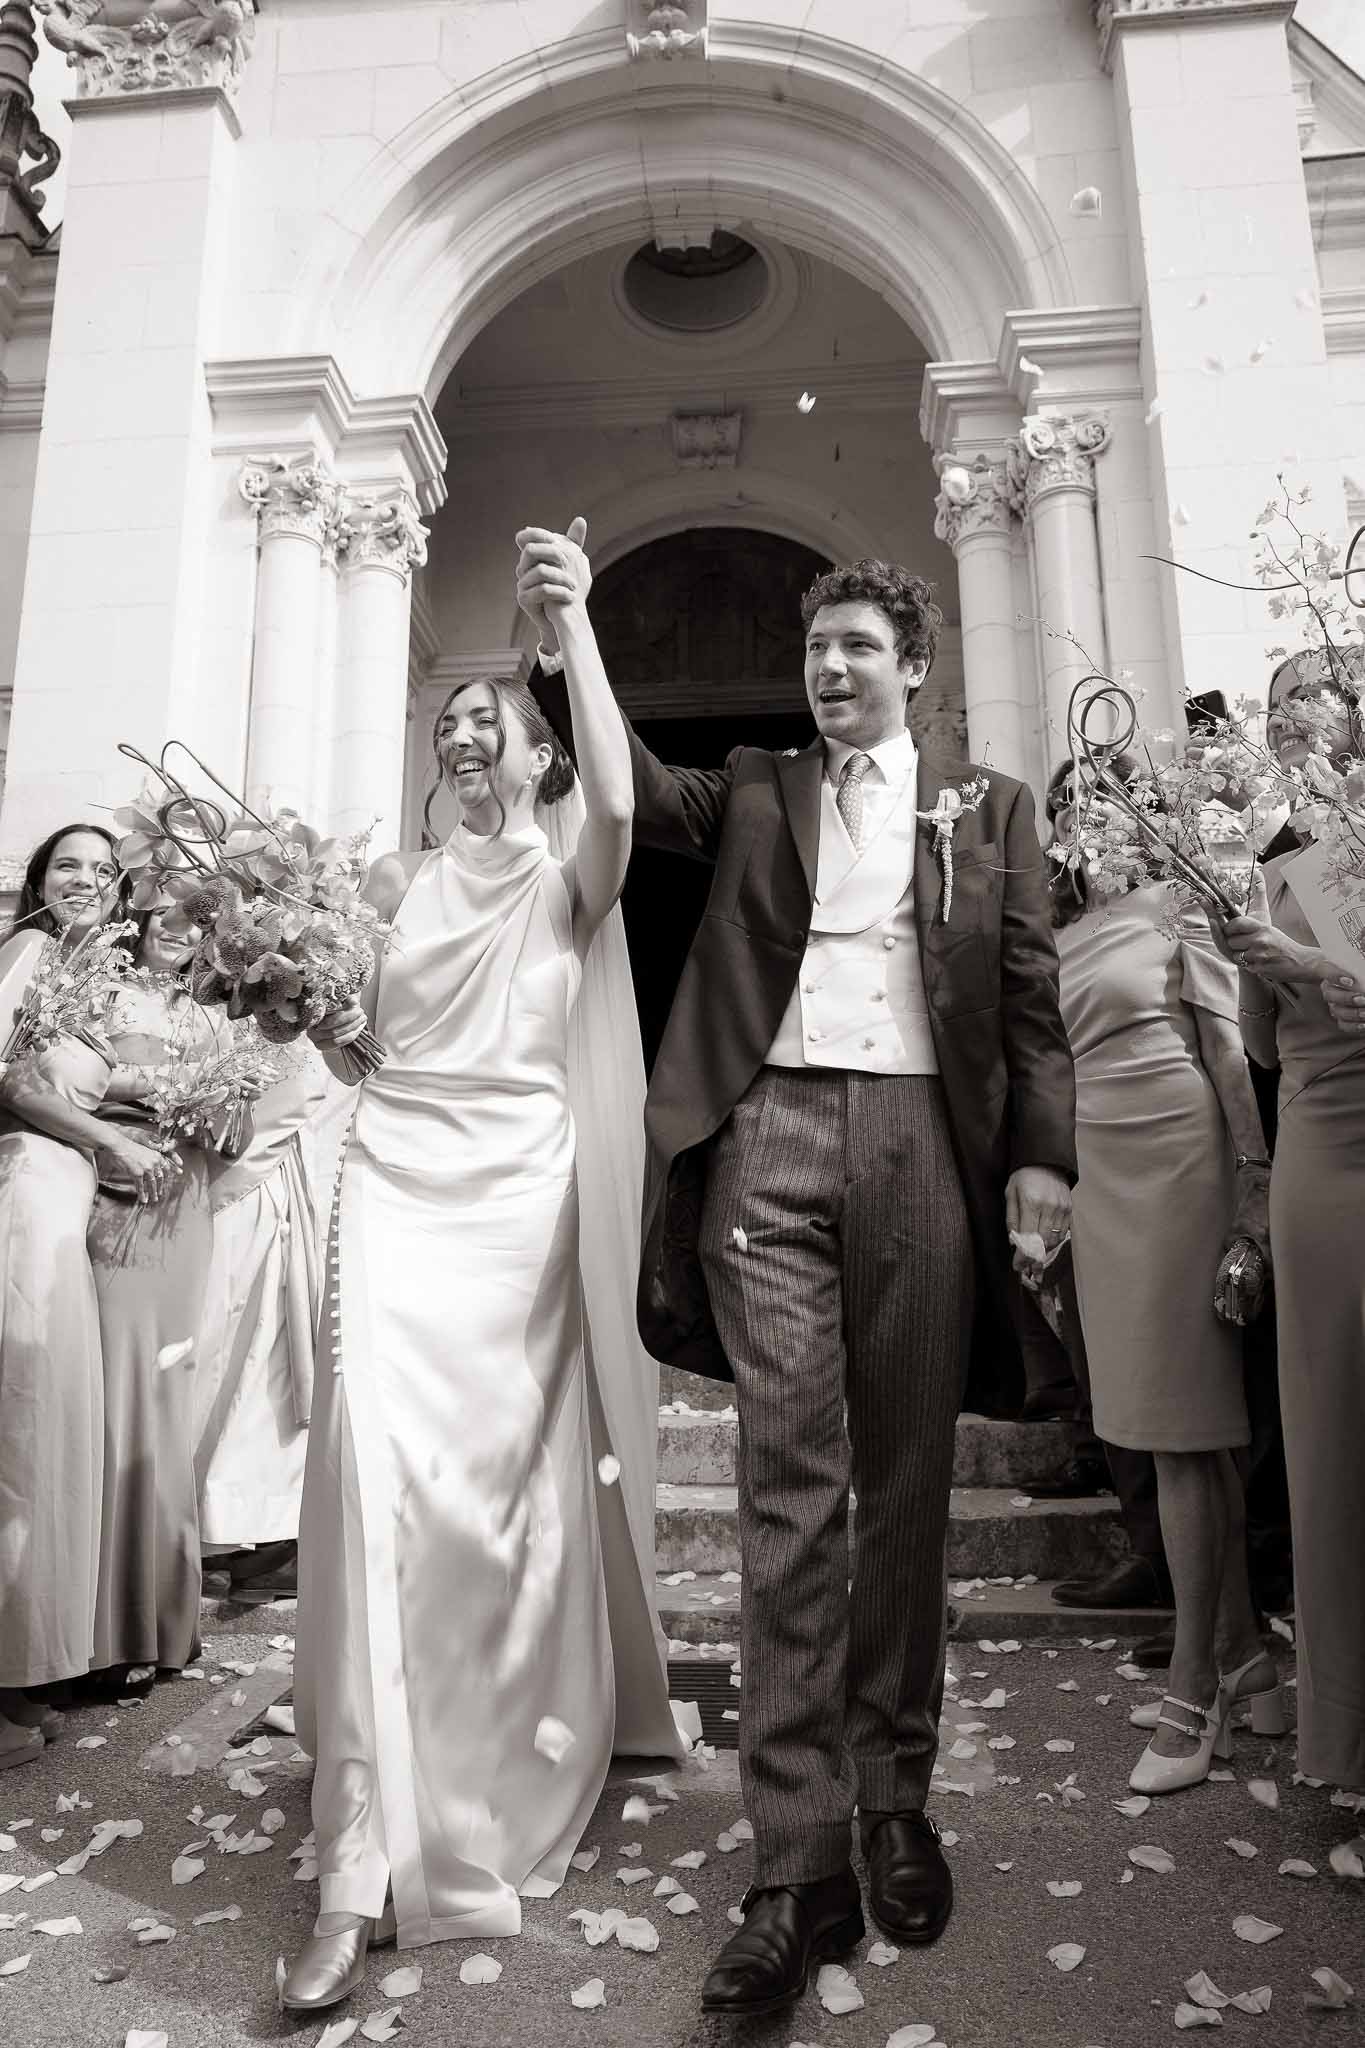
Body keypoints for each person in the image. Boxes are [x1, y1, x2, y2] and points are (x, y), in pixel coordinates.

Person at [523, 538, 1076, 2018]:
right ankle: (794, 1857)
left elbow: (1026, 996)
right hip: (765, 1137)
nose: (830, 670)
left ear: (911, 669)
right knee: (790, 1491)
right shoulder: (758, 787)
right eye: (815, 649)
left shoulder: (994, 810)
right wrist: (568, 630)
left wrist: (1039, 1161)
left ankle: (895, 1796)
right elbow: (628, 783)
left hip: (919, 1149)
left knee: (902, 1489)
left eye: (856, 649)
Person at [285, 520, 684, 2015]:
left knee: (491, 1493)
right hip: (389, 1174)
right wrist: (318, 1017)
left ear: (534, 757)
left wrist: (569, 626)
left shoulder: (568, 872)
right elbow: (347, 1032)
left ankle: (491, 1753)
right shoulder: (388, 882)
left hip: (515, 1190)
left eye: (490, 723)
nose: (462, 736)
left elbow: (629, 793)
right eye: (446, 722)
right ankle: (358, 1840)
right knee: (378, 1470)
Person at [1044, 761, 1283, 1796]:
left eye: (1100, 801)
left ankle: (1193, 1699)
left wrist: (1253, 1198)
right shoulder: (1056, 934)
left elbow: (1230, 1055)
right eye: (1069, 808)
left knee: (1191, 1437)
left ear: (1139, 818)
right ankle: (1247, 1660)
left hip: (1182, 1161)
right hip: (1100, 1185)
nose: (1082, 822)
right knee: (1159, 1434)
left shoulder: (1182, 899)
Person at [1214, 648, 1365, 1810]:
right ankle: (1349, 1747)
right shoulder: (1276, 860)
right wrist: (1250, 965)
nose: (1287, 730)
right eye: (1273, 715)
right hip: (1323, 1154)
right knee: (1328, 1440)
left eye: (1304, 709)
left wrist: (1316, 962)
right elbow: (1264, 1050)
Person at [0, 826, 166, 1758]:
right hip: (26, 1194)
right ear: (38, 880)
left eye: (105, 871)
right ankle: (9, 1685)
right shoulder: (27, 953)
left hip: (69, 1212)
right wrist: (111, 1142)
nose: (88, 881)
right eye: (69, 864)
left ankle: (39, 1661)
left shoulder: (95, 984)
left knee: (52, 1431)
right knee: (23, 1431)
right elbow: (9, 1075)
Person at [84, 900, 229, 1683]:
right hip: (107, 1201)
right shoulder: (98, 988)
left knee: (167, 1405)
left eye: (198, 919)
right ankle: (97, 1629)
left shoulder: (215, 1013)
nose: (179, 928)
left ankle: (160, 1622)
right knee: (110, 1399)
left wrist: (213, 1101)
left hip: (181, 1213)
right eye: (166, 910)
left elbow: (236, 1132)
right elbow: (66, 1082)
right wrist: (165, 1086)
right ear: (136, 910)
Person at [193, 1041, 327, 1595]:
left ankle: (252, 1532)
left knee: (257, 1352)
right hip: (228, 1174)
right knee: (220, 1346)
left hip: (268, 1173)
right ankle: (215, 1529)